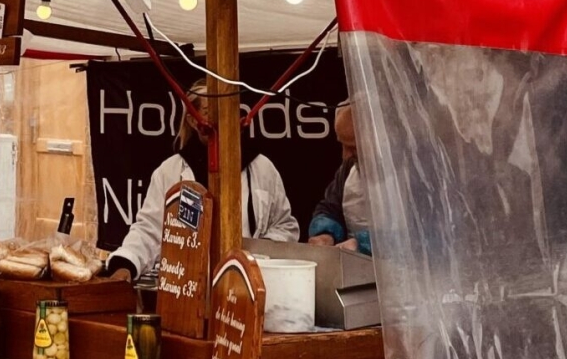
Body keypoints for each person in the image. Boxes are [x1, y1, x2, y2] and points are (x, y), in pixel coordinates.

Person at [107, 96, 299, 280]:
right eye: (209, 112)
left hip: (245, 289)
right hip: (187, 290)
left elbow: (285, 227)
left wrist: (255, 255)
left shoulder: (262, 168)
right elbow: (149, 230)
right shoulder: (170, 172)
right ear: (192, 120)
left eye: (228, 110)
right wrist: (126, 263)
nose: (221, 119)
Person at [309, 102, 371, 255]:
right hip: (359, 271)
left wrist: (363, 244)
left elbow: (421, 231)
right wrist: (326, 234)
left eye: (353, 147)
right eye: (342, 145)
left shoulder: (413, 172)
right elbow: (329, 208)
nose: (345, 156)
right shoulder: (348, 169)